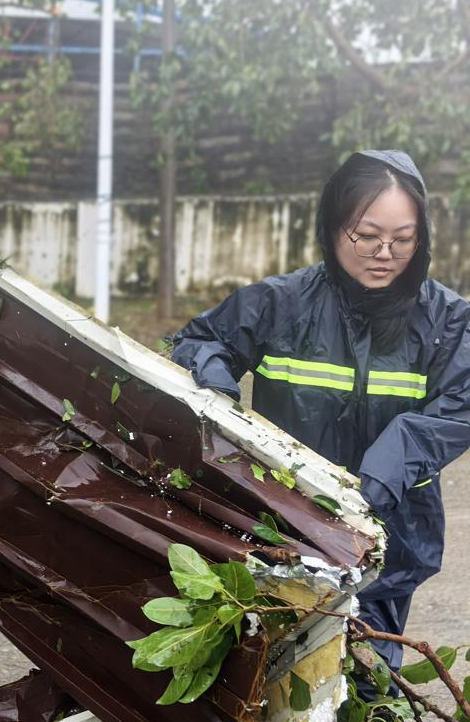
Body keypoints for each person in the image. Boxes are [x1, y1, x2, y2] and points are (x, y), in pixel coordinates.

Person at [171, 150, 470, 687]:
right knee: (273, 673)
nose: (385, 253)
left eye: (403, 240)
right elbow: (200, 341)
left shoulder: (448, 321)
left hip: (388, 532)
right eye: (366, 235)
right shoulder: (281, 303)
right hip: (285, 522)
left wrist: (388, 466)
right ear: (333, 227)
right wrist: (218, 394)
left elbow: (462, 401)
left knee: (365, 681)